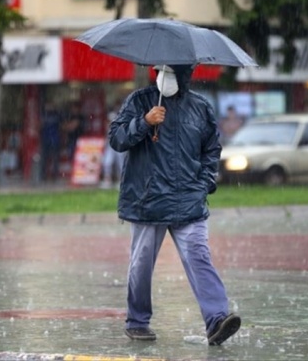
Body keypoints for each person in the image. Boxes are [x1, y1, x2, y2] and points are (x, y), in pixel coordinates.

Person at [108, 64, 241, 345]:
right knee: (141, 264)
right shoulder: (139, 101)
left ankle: (216, 319)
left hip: (188, 201)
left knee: (199, 256)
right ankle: (137, 321)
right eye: (161, 71)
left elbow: (211, 149)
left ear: (185, 75)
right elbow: (117, 139)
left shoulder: (200, 108)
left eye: (172, 72)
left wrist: (204, 183)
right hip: (148, 201)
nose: (165, 78)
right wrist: (144, 122)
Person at [99, 103, 126, 189]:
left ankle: (121, 182)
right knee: (107, 162)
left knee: (121, 164)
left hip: (119, 146)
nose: (110, 122)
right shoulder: (108, 127)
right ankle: (108, 180)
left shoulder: (120, 126)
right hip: (110, 147)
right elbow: (107, 138)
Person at [40, 101, 62, 181]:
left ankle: (53, 175)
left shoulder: (55, 115)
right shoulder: (44, 115)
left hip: (53, 139)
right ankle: (44, 175)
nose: (48, 107)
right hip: (47, 139)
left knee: (53, 158)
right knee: (45, 158)